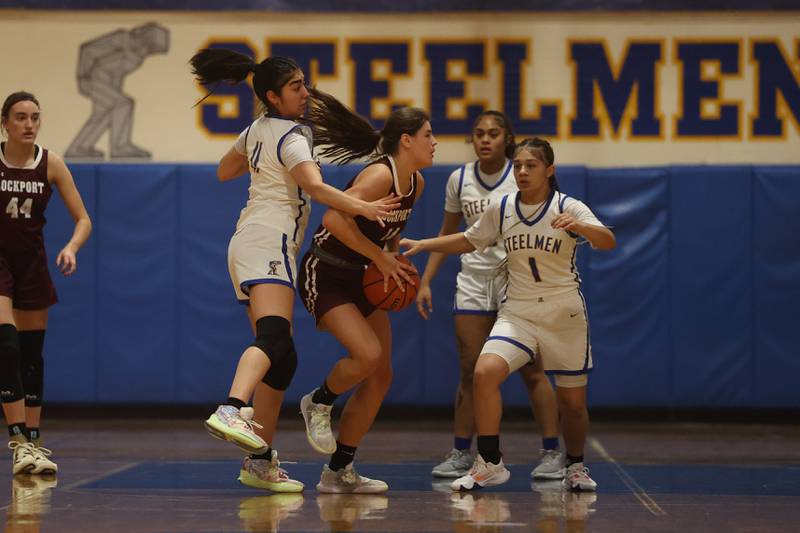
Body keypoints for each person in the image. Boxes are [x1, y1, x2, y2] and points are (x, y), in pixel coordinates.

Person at [189, 48, 402, 492]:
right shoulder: (293, 135)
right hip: (270, 240)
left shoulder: (256, 130)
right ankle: (231, 407)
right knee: (272, 337)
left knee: (282, 359)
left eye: (304, 84)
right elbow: (315, 187)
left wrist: (260, 155)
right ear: (272, 95)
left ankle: (260, 460)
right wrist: (362, 204)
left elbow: (223, 171)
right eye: (296, 87)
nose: (306, 93)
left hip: (244, 242)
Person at [401, 138, 616, 492]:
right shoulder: (502, 209)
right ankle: (490, 462)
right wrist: (424, 245)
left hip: (563, 314)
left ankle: (575, 465)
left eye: (531, 165)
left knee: (572, 404)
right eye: (517, 165)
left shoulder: (567, 206)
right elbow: (469, 240)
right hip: (518, 311)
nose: (522, 171)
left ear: (549, 170)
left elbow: (607, 239)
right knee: (484, 373)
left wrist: (581, 227)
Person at [296, 96, 433, 493]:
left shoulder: (416, 184)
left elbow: (385, 236)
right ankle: (319, 401)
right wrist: (380, 257)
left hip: (362, 276)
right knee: (367, 355)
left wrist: (392, 261)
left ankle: (338, 472)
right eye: (428, 135)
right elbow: (333, 218)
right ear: (406, 141)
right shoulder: (379, 177)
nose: (434, 142)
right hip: (327, 272)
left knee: (381, 375)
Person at [417, 111, 563, 481]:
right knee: (469, 369)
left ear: (506, 138)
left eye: (493, 133)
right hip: (473, 280)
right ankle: (461, 453)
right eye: (478, 133)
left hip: (516, 280)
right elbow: (450, 232)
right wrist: (426, 281)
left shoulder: (521, 177)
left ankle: (552, 452)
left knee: (532, 369)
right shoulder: (459, 179)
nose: (484, 139)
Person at [1, 91, 92, 476]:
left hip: (32, 264)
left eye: (35, 117)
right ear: (5, 123)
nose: (29, 124)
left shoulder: (51, 163)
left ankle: (34, 444)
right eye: (20, 117)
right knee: (5, 346)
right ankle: (19, 441)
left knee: (30, 355)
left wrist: (71, 247)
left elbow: (84, 219)